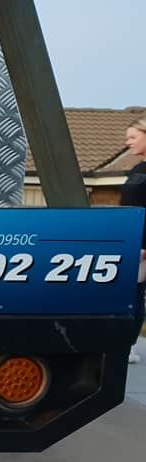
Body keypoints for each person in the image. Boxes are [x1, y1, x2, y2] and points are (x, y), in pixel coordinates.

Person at [121, 116, 146, 363]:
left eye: (132, 137)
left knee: (135, 293)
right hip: (128, 242)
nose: (128, 143)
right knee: (127, 292)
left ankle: (129, 346)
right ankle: (123, 341)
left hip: (142, 247)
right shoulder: (137, 169)